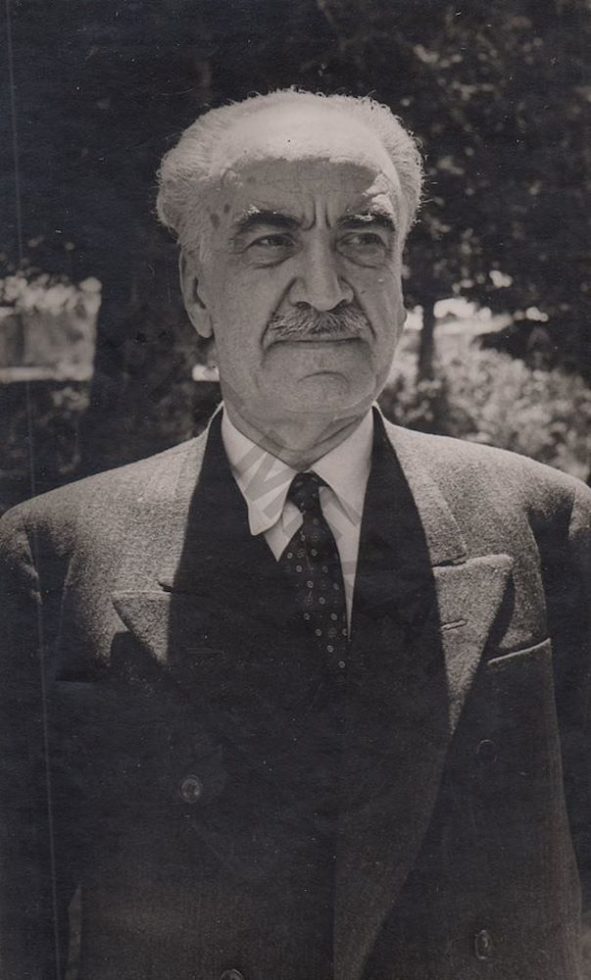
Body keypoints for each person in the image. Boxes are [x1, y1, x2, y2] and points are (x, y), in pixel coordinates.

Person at [0, 89, 590, 980]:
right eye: (270, 241)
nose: (324, 288)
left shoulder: (548, 525)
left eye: (363, 238)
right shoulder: (53, 556)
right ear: (197, 292)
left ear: (399, 276)